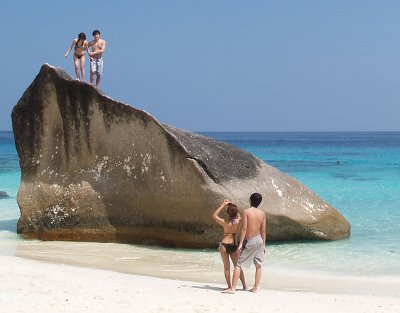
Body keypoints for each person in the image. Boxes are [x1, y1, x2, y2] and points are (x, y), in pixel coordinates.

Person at [223, 193, 266, 294]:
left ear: (250, 200)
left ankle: (232, 288)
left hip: (250, 240)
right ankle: (256, 287)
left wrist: (241, 243)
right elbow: (263, 230)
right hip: (259, 240)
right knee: (258, 265)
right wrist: (264, 244)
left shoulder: (246, 211)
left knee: (238, 264)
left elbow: (244, 228)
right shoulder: (262, 213)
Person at [212, 200, 246, 291]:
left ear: (228, 213)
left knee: (226, 267)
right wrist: (235, 207)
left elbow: (214, 215)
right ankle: (244, 286)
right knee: (237, 266)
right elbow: (239, 216)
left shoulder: (225, 222)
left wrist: (223, 205)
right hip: (233, 244)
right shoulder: (240, 221)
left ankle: (229, 286)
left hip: (224, 244)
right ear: (236, 211)